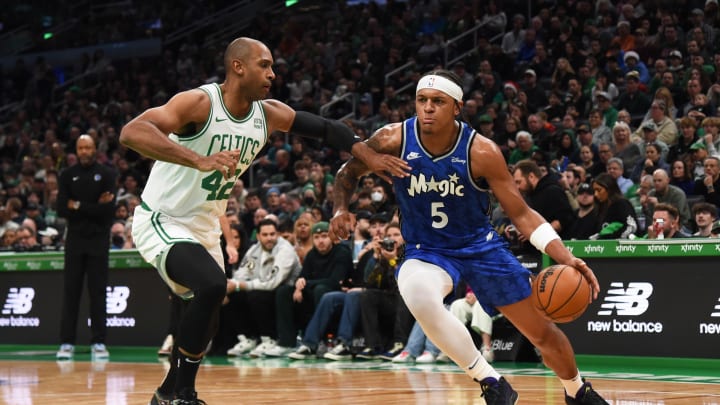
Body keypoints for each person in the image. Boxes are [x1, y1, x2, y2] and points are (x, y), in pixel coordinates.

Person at [119, 37, 409, 405]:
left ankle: (166, 393)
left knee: (209, 312)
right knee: (211, 286)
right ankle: (184, 395)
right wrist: (197, 159)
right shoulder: (200, 103)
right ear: (238, 66)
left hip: (205, 226)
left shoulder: (268, 113)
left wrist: (366, 152)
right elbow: (132, 132)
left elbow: (326, 128)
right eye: (265, 65)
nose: (272, 74)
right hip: (163, 218)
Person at [330, 69, 608, 404]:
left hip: (480, 248)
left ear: (457, 107)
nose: (428, 108)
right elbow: (349, 170)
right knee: (418, 293)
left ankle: (576, 390)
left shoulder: (482, 151)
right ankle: (492, 382)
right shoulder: (393, 139)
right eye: (422, 100)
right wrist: (339, 209)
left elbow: (520, 213)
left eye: (438, 101)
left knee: (542, 332)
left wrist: (564, 255)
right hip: (427, 250)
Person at [56, 134, 117, 360]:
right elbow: (62, 208)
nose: (84, 151)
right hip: (74, 241)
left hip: (99, 241)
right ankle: (66, 343)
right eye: (80, 148)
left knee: (98, 293)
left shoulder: (108, 174)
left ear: (95, 149)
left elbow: (108, 211)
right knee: (71, 292)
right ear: (76, 150)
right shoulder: (67, 175)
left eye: (88, 147)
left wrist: (78, 206)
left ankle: (99, 342)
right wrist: (93, 206)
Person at [265, 221, 353, 357]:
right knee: (283, 292)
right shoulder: (312, 255)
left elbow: (335, 281)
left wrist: (306, 283)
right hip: (314, 293)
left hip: (337, 297)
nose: (320, 241)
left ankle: (322, 341)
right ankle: (286, 343)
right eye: (317, 238)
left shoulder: (342, 253)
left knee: (321, 289)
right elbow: (301, 278)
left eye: (324, 236)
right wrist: (298, 287)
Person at [222, 218, 301, 357]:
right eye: (265, 235)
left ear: (277, 234)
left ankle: (269, 338)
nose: (269, 238)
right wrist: (231, 285)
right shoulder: (254, 250)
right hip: (266, 291)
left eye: (272, 234)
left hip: (287, 293)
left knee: (255, 295)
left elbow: (273, 283)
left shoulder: (285, 250)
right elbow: (244, 272)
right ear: (258, 236)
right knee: (234, 294)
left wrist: (241, 285)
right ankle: (248, 338)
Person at [590, 173, 639, 239]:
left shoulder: (622, 204)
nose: (595, 194)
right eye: (594, 191)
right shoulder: (600, 208)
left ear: (609, 189)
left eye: (599, 190)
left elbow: (632, 226)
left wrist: (613, 240)